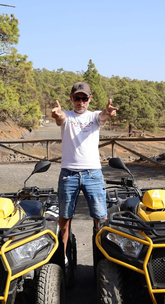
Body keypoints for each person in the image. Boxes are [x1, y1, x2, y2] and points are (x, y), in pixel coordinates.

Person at [51, 81, 118, 258]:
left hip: (93, 174)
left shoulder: (94, 117)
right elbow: (60, 119)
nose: (80, 102)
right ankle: (63, 260)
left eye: (84, 98)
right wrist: (56, 115)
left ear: (90, 99)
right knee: (64, 219)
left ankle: (104, 257)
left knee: (101, 218)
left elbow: (102, 116)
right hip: (68, 174)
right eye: (77, 98)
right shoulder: (66, 116)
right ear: (71, 99)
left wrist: (108, 113)